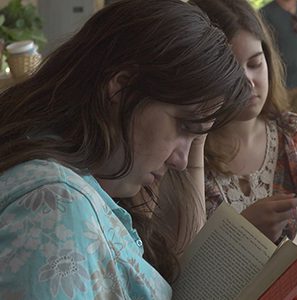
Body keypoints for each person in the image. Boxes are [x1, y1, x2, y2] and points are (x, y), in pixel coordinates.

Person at [0, 0, 251, 299]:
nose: (182, 161)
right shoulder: (56, 206)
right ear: (121, 87)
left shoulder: (70, 186)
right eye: (184, 126)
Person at [192, 0, 297, 244]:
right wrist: (241, 235)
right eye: (231, 70)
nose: (248, 81)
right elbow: (174, 268)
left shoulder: (292, 134)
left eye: (255, 64)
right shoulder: (183, 150)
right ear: (199, 71)